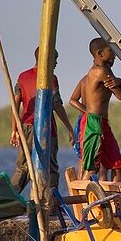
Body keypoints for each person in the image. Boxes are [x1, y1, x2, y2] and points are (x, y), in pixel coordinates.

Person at [10, 48, 75, 194]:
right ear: (47, 59)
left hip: (26, 127)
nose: (57, 62)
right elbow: (57, 105)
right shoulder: (50, 78)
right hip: (45, 128)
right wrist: (70, 128)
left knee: (22, 168)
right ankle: (49, 203)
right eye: (55, 59)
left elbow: (15, 106)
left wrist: (14, 129)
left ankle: (12, 198)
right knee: (50, 167)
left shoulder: (22, 76)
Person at [79, 39, 121, 181]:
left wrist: (119, 81)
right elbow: (120, 95)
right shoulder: (99, 72)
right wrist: (119, 82)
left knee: (117, 164)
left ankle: (115, 199)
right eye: (111, 51)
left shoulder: (107, 70)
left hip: (103, 122)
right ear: (100, 54)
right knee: (91, 166)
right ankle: (82, 197)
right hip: (93, 122)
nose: (114, 55)